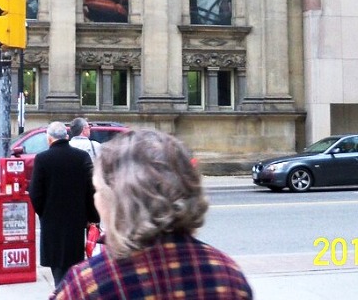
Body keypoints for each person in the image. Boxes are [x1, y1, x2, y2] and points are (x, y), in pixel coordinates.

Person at [53, 129, 254, 299]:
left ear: (118, 203)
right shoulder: (228, 276)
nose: (95, 200)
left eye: (97, 190)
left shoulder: (88, 284)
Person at [28, 121, 98, 286]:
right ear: (67, 137)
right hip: (76, 221)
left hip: (52, 223)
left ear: (49, 139)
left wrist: (44, 213)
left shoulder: (42, 159)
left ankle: (62, 293)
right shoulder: (82, 157)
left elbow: (35, 194)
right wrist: (91, 217)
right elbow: (91, 190)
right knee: (75, 264)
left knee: (57, 267)